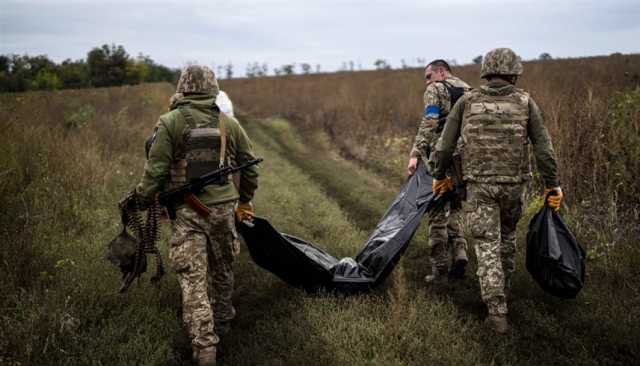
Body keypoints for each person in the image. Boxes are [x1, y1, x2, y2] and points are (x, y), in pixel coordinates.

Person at [432, 48, 562, 335]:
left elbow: (443, 147)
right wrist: (553, 184)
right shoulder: (526, 103)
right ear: (514, 72)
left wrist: (439, 176)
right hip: (514, 186)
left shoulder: (467, 102)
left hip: (479, 186)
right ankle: (503, 295)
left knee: (486, 243)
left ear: (486, 72)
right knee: (506, 239)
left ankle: (496, 312)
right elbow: (544, 149)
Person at [135, 65, 259, 365]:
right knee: (223, 270)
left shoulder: (170, 122)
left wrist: (141, 200)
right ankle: (223, 325)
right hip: (225, 211)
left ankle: (205, 347)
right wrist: (243, 199)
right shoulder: (229, 123)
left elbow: (156, 172)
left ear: (183, 88)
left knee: (193, 278)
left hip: (189, 213)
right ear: (212, 88)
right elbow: (250, 168)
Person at [407, 59, 470, 284]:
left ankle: (439, 269)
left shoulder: (436, 90)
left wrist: (415, 153)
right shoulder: (468, 90)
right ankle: (461, 252)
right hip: (465, 160)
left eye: (428, 76)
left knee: (435, 212)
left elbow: (429, 122)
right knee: (455, 208)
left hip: (441, 159)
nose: (427, 83)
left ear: (441, 72)